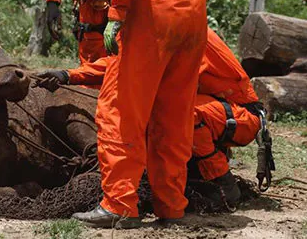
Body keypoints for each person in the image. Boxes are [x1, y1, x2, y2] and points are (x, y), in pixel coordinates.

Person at [43, 0, 215, 228]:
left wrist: (118, 12)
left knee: (119, 110)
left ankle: (119, 204)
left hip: (150, 10)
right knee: (175, 114)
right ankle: (171, 205)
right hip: (192, 10)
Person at [37, 28, 263, 209]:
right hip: (217, 110)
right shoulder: (160, 30)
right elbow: (120, 64)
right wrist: (68, 75)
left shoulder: (182, 33)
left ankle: (222, 181)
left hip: (241, 116)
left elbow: (138, 67)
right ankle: (193, 174)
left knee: (174, 111)